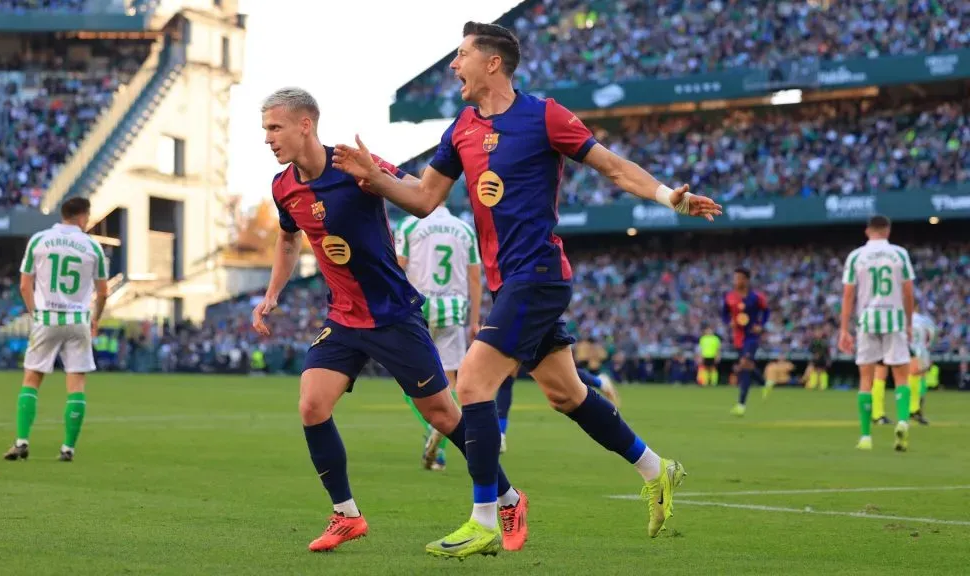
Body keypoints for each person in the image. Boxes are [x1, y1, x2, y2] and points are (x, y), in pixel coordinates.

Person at [332, 22, 721, 557]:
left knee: (470, 384)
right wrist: (373, 177)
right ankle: (657, 469)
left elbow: (611, 167)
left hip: (537, 275)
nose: (453, 65)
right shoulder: (461, 128)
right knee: (567, 394)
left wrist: (666, 197)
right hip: (506, 283)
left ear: (492, 63)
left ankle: (485, 517)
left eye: (462, 54)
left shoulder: (545, 115)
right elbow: (423, 198)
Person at [253, 87, 523, 553]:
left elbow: (420, 193)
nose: (268, 139)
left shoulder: (353, 163)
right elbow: (286, 238)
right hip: (343, 317)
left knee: (442, 415)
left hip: (393, 315)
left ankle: (508, 497)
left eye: (275, 128)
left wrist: (375, 176)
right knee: (312, 405)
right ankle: (346, 515)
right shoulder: (283, 187)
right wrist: (273, 292)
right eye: (264, 130)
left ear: (305, 125)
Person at [4, 197, 109, 463]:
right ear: (83, 217)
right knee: (76, 384)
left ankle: (21, 442)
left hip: (47, 318)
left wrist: (34, 312)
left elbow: (24, 286)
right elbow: (103, 291)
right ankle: (68, 449)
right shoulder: (92, 247)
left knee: (32, 379)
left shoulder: (39, 240)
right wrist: (95, 319)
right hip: (77, 320)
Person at [394, 199, 482, 471]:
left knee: (411, 380)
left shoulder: (409, 225)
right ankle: (440, 446)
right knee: (450, 380)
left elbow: (397, 269)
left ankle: (435, 433)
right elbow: (475, 278)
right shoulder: (464, 229)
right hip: (453, 308)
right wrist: (474, 320)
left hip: (418, 307)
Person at [838, 215, 915, 451]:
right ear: (888, 230)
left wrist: (844, 329)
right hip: (894, 318)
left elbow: (848, 295)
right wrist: (909, 322)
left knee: (866, 379)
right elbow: (908, 292)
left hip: (867, 320)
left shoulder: (856, 256)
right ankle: (902, 421)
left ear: (867, 231)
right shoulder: (899, 254)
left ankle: (865, 437)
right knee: (901, 376)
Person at [722, 267, 769, 416]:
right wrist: (728, 321)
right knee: (746, 366)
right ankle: (763, 383)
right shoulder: (729, 297)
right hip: (738, 337)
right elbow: (723, 313)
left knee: (744, 364)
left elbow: (766, 311)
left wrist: (760, 325)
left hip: (751, 336)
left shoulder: (756, 297)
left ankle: (741, 404)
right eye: (735, 278)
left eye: (739, 278)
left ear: (746, 280)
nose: (736, 281)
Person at [805, 325, 831, 390]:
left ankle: (823, 385)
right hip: (815, 358)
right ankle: (813, 384)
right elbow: (810, 349)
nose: (818, 334)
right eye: (817, 332)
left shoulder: (824, 341)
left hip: (823, 358)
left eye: (819, 332)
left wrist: (828, 360)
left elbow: (827, 351)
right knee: (814, 370)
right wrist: (815, 353)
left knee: (823, 371)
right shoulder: (813, 341)